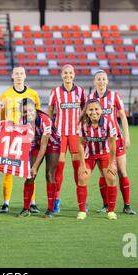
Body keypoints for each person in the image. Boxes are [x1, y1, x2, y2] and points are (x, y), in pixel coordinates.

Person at [88, 70, 136, 215]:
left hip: (116, 139)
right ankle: (106, 205)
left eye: (104, 79)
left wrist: (127, 136)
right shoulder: (90, 98)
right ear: (94, 82)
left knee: (121, 171)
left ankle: (127, 205)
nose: (101, 82)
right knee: (104, 174)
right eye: (98, 79)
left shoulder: (114, 96)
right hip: (99, 142)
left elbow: (123, 116)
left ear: (107, 81)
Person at [0, 66, 41, 213]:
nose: (18, 76)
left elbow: (37, 115)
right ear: (12, 76)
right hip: (11, 136)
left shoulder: (33, 94)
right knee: (8, 169)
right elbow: (3, 116)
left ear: (25, 76)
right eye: (16, 73)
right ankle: (5, 203)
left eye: (21, 73)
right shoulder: (5, 95)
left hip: (28, 137)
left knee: (29, 171)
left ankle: (32, 203)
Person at [48, 64, 85, 213]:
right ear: (61, 75)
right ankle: (56, 200)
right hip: (60, 134)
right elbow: (50, 109)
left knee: (78, 169)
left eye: (70, 73)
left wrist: (84, 127)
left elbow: (84, 110)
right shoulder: (55, 92)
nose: (68, 75)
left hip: (75, 134)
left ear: (74, 74)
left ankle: (82, 201)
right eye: (65, 73)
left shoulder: (81, 91)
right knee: (59, 170)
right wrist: (49, 127)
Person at [17, 98, 60, 218]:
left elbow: (44, 146)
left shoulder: (45, 120)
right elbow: (24, 142)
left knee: (49, 175)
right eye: (25, 111)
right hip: (35, 143)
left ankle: (50, 209)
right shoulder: (22, 121)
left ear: (35, 108)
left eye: (30, 110)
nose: (28, 113)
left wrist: (35, 166)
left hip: (52, 143)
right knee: (30, 175)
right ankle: (26, 209)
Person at [77, 99, 118, 221]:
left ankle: (111, 211)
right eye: (90, 109)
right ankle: (82, 211)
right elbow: (80, 144)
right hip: (89, 155)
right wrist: (82, 165)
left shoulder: (109, 122)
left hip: (105, 154)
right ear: (86, 111)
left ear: (101, 110)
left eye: (96, 109)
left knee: (111, 177)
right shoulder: (82, 123)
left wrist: (112, 164)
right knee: (82, 177)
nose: (94, 112)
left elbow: (112, 144)